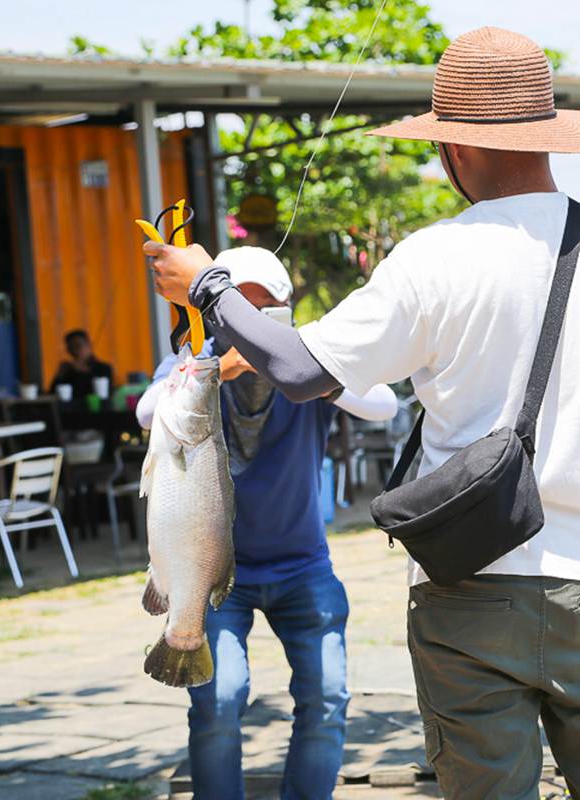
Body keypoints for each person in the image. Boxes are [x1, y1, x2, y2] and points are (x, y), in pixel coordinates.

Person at [145, 27, 580, 799]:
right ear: (550, 139)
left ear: (455, 152)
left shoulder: (434, 256)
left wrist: (209, 287)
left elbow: (301, 369)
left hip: (466, 588)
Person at [136, 246, 397, 800]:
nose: (248, 326)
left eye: (263, 314)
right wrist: (219, 368)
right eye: (235, 310)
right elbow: (144, 411)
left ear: (286, 312)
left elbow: (384, 404)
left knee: (327, 699)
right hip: (213, 577)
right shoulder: (197, 361)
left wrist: (295, 363)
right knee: (219, 700)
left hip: (303, 565)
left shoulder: (311, 363)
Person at [49, 329, 114, 400]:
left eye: (78, 346)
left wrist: (83, 371)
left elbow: (104, 394)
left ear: (89, 345)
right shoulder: (68, 370)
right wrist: (59, 376)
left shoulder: (103, 368)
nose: (74, 351)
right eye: (71, 348)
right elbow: (52, 394)